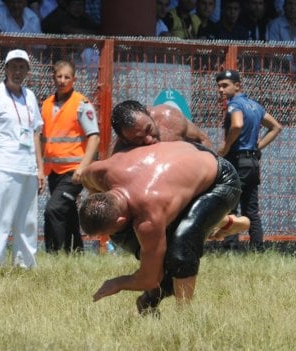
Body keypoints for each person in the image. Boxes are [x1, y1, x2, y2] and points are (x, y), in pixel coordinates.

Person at [79, 141, 241, 314]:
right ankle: (221, 221)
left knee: (180, 250)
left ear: (120, 220)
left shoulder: (148, 218)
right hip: (192, 155)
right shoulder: (97, 173)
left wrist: (117, 283)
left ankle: (185, 319)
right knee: (168, 239)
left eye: (107, 233)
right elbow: (84, 178)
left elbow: (149, 279)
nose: (110, 236)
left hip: (222, 180)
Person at [110, 100, 248, 237]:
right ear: (126, 141)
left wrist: (209, 185)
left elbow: (202, 139)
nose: (148, 140)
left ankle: (221, 221)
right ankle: (227, 222)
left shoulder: (169, 118)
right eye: (138, 139)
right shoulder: (121, 153)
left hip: (191, 170)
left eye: (149, 129)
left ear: (149, 114)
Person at [0, 49, 44, 268]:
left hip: (28, 166)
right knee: (2, 220)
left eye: (22, 67)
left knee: (28, 222)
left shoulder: (30, 96)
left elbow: (35, 134)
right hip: (4, 165)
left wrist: (40, 169)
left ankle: (26, 266)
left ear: (27, 71)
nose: (17, 71)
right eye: (13, 66)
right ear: (5, 69)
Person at [216, 70, 282, 251]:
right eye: (219, 86)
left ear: (237, 85)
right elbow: (276, 127)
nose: (220, 90)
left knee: (230, 206)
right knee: (251, 208)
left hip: (237, 161)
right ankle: (257, 248)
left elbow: (237, 124)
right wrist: (257, 147)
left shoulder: (234, 105)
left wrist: (226, 147)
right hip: (252, 163)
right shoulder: (255, 106)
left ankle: (230, 248)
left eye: (225, 85)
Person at [41, 60, 99, 254]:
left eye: (67, 77)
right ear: (53, 78)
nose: (63, 81)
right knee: (68, 211)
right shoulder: (47, 104)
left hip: (74, 171)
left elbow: (94, 137)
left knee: (54, 209)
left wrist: (83, 167)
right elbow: (43, 139)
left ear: (74, 79)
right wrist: (40, 168)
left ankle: (54, 253)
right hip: (53, 171)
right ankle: (76, 251)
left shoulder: (81, 104)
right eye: (59, 76)